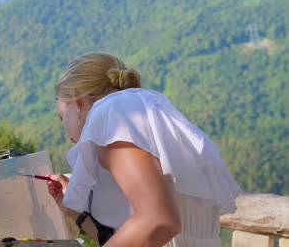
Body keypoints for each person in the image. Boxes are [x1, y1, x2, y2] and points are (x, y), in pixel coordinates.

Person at [46, 52, 242, 247]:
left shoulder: (110, 113)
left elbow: (158, 220)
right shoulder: (144, 111)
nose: (71, 139)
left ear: (76, 101)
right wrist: (75, 212)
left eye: (62, 117)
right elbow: (143, 237)